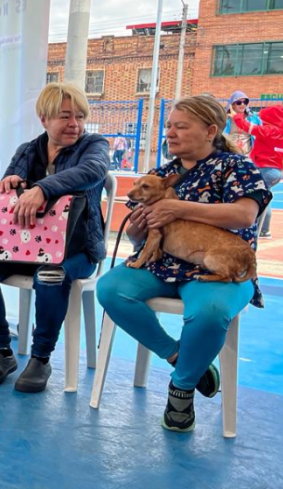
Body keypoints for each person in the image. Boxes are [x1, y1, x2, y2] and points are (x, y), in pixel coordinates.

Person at [97, 94, 270, 433]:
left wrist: (180, 209)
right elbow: (138, 237)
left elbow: (244, 214)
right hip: (163, 265)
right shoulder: (162, 174)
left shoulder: (237, 167)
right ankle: (180, 357)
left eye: (181, 126)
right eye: (169, 126)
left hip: (220, 269)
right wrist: (138, 226)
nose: (171, 133)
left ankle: (181, 389)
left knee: (210, 312)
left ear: (210, 130)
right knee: (110, 289)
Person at [0, 82, 109, 393]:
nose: (75, 124)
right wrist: (10, 182)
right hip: (24, 246)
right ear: (44, 119)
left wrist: (42, 187)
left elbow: (93, 171)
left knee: (50, 276)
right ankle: (2, 351)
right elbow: (8, 193)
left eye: (79, 116)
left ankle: (40, 358)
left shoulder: (94, 145)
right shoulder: (28, 149)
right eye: (65, 117)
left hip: (78, 249)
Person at [231, 104, 283, 238]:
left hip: (264, 169)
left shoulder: (268, 130)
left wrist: (237, 115)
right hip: (277, 171)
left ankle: (260, 229)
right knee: (265, 197)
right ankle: (264, 229)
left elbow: (247, 127)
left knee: (259, 199)